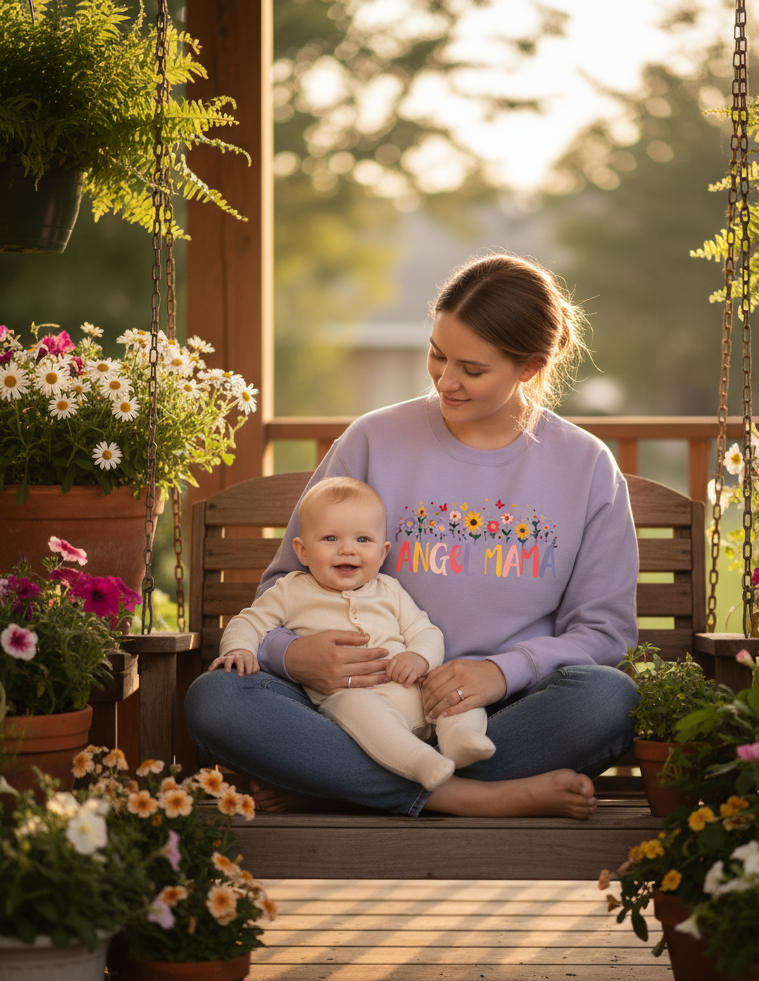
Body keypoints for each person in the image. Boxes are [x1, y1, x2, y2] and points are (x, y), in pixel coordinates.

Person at [185, 252, 640, 820]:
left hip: (496, 717)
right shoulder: (373, 439)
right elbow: (284, 585)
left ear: (529, 367)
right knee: (219, 700)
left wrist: (501, 673)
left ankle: (340, 781)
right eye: (437, 354)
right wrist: (294, 654)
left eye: (472, 370)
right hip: (353, 703)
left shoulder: (586, 466)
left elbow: (604, 633)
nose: (446, 381)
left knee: (607, 700)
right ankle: (472, 798)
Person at [209, 476, 494, 791]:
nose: (347, 550)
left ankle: (461, 738)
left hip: (416, 690)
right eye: (330, 538)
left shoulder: (390, 589)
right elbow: (248, 622)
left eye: (363, 540)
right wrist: (240, 649)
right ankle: (420, 763)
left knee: (457, 691)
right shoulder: (291, 590)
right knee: (360, 708)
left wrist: (419, 658)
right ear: (302, 551)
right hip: (348, 699)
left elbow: (425, 631)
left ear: (383, 552)